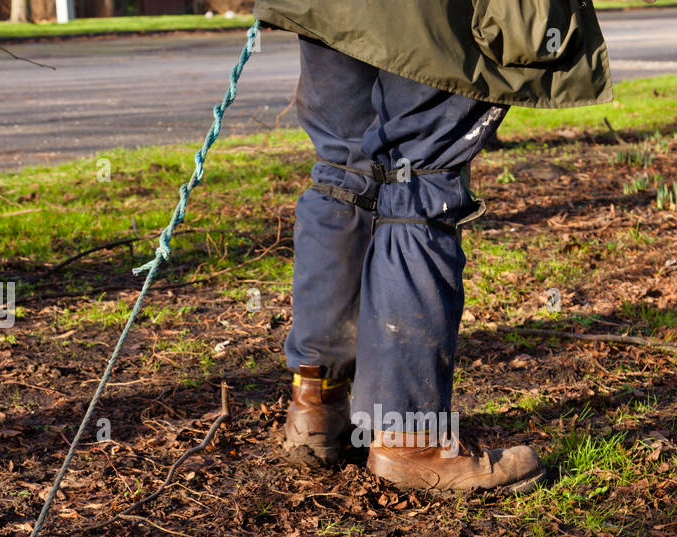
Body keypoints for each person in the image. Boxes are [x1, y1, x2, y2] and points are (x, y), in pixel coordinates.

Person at [253, 1, 612, 493]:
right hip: (433, 16)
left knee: (343, 170)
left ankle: (316, 404)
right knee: (422, 175)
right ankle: (409, 440)